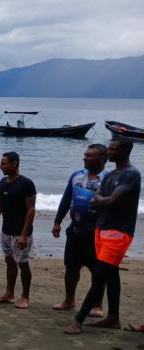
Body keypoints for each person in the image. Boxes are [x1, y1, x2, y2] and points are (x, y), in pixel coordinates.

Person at [66, 139, 140, 334]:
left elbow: (111, 200)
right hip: (102, 229)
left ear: (125, 151)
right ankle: (113, 317)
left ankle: (78, 320)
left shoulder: (130, 174)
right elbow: (96, 200)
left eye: (113, 149)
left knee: (99, 276)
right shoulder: (112, 175)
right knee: (110, 274)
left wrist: (103, 201)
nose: (109, 152)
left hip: (118, 232)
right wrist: (103, 201)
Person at [51, 144, 108, 315]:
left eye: (90, 156)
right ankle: (69, 300)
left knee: (96, 269)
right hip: (75, 229)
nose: (85, 157)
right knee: (71, 266)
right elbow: (66, 198)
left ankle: (97, 305)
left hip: (97, 231)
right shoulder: (76, 175)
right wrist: (57, 221)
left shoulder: (108, 179)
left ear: (103, 159)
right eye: (85, 154)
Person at [0, 152, 37, 309]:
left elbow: (31, 210)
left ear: (15, 164)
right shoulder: (3, 182)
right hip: (6, 231)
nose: (0, 167)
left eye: (4, 164)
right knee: (9, 262)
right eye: (1, 163)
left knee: (23, 263)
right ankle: (9, 294)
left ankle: (25, 297)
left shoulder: (26, 183)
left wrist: (24, 234)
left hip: (21, 232)